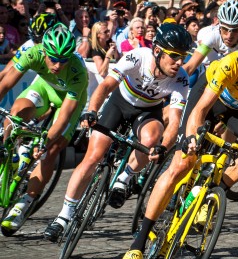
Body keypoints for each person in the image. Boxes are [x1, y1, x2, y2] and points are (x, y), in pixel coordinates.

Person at [119, 27, 238, 259]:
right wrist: (191, 138)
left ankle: (213, 193)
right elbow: (200, 110)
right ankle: (137, 245)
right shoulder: (234, 63)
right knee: (182, 164)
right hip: (211, 99)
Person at [43, 23, 193, 242]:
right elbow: (105, 87)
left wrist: (163, 147)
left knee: (152, 138)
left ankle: (125, 178)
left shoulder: (181, 79)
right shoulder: (137, 57)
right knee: (93, 157)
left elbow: (175, 122)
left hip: (148, 111)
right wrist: (92, 112)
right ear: (158, 51)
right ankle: (63, 216)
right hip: (120, 103)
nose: (180, 63)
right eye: (174, 56)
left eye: (183, 56)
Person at [0, 23, 89, 232]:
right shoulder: (34, 53)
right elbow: (5, 84)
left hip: (68, 100)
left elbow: (64, 117)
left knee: (51, 151)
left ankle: (25, 203)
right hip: (45, 88)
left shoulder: (78, 72)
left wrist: (46, 140)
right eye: (53, 59)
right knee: (15, 115)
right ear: (45, 52)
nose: (57, 65)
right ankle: (12, 156)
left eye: (63, 60)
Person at [185, 0, 238, 75]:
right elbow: (190, 67)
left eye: (235, 30)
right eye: (225, 29)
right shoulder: (212, 36)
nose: (229, 36)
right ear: (219, 25)